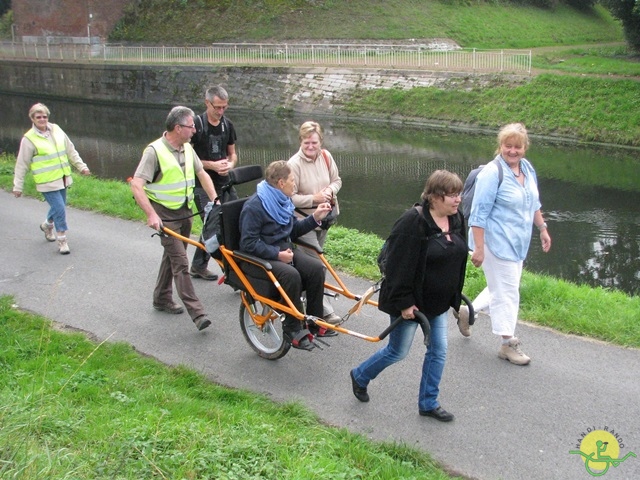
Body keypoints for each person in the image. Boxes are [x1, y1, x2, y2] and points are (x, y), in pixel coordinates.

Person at [350, 170, 468, 422]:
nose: (458, 200)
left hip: (437, 304)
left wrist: (454, 295)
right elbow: (396, 267)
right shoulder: (411, 223)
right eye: (452, 195)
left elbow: (458, 259)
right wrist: (405, 303)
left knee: (438, 351)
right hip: (412, 303)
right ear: (435, 197)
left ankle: (428, 402)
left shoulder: (457, 219)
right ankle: (360, 375)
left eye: (459, 194)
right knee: (397, 351)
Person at [460, 123, 551, 365]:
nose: (512, 151)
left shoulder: (527, 168)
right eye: (507, 146)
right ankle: (507, 344)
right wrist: (478, 248)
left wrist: (542, 229)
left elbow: (533, 202)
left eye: (517, 146)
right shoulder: (492, 173)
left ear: (525, 148)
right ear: (500, 146)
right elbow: (478, 215)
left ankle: (468, 311)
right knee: (508, 292)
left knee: (503, 286)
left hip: (517, 242)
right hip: (494, 242)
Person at [130, 106, 218, 331]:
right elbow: (137, 185)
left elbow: (202, 173)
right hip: (165, 215)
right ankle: (198, 313)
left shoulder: (188, 148)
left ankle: (161, 298)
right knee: (180, 262)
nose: (195, 130)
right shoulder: (154, 151)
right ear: (178, 128)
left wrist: (215, 200)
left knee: (172, 256)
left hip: (185, 211)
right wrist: (151, 214)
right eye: (191, 126)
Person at [239, 160, 333, 351]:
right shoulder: (254, 207)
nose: (295, 185)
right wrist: (277, 254)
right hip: (261, 259)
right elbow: (247, 244)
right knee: (292, 276)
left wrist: (315, 217)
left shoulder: (282, 200)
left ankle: (314, 322)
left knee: (316, 269)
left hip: (284, 251)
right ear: (281, 183)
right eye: (292, 180)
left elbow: (293, 230)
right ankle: (292, 329)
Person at [12, 103, 91, 255]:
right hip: (46, 181)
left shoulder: (57, 130)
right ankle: (62, 239)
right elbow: (22, 163)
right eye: (38, 117)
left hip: (62, 177)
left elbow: (70, 149)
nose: (42, 119)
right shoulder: (29, 139)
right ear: (32, 119)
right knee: (60, 208)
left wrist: (81, 166)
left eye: (44, 116)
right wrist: (18, 185)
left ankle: (47, 225)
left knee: (59, 206)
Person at [288, 121, 343, 325]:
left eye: (314, 143)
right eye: (306, 143)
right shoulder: (293, 165)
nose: (310, 147)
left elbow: (337, 180)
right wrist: (314, 199)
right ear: (300, 142)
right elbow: (288, 197)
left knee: (313, 264)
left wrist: (330, 191)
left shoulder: (326, 157)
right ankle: (325, 310)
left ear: (321, 142)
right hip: (304, 222)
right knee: (318, 264)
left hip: (325, 219)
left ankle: (303, 294)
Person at [189, 85, 238, 281]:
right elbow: (186, 159)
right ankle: (227, 269)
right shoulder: (195, 125)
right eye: (217, 107)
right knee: (214, 225)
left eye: (224, 107)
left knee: (233, 223)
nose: (220, 112)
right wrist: (211, 165)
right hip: (202, 185)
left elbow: (233, 154)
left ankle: (202, 265)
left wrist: (229, 165)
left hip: (225, 183)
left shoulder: (228, 125)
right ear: (207, 103)